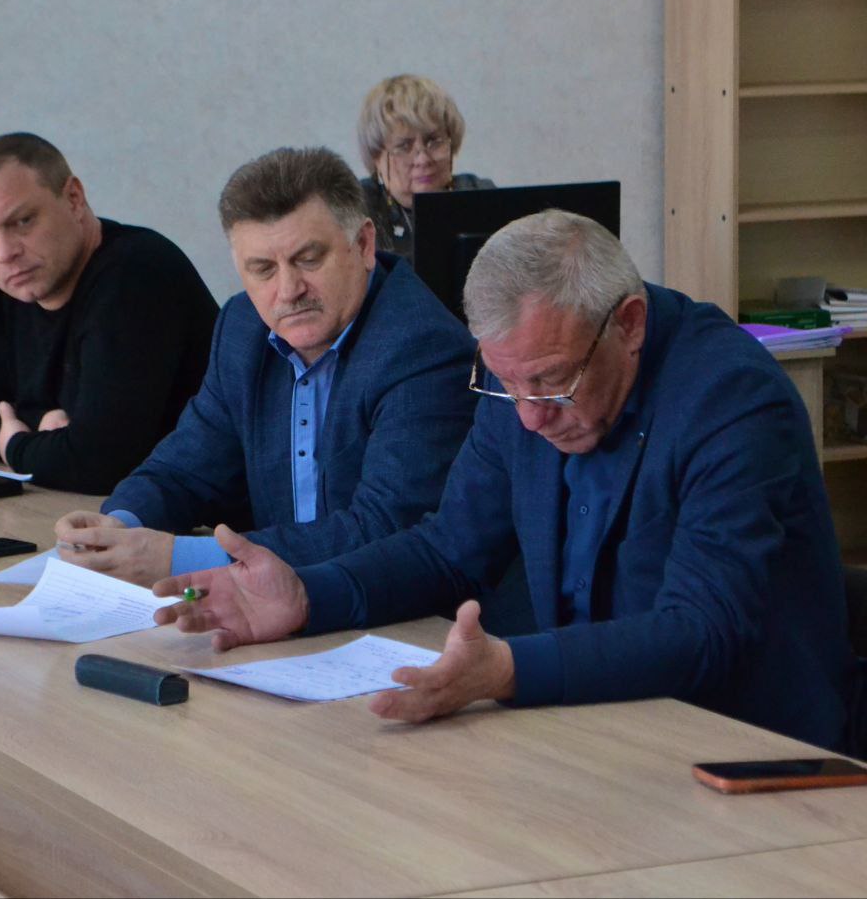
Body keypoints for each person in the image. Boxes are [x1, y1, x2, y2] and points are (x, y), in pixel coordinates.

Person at [155, 210, 859, 753]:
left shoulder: (733, 401)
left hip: (753, 754)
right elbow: (449, 548)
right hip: (599, 733)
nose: (526, 416)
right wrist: (309, 595)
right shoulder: (521, 374)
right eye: (505, 383)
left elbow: (702, 631)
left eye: (551, 382)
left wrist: (507, 668)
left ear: (630, 324)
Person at [54, 146, 476, 587]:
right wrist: (119, 526)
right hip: (274, 608)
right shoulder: (243, 329)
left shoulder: (422, 347)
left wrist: (182, 558)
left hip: (399, 611)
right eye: (262, 269)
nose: (288, 290)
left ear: (364, 245)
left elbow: (384, 529)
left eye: (308, 259)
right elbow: (184, 470)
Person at [0, 132, 219, 494]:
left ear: (73, 198)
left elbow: (97, 462)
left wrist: (15, 445)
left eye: (22, 221)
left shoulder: (136, 274)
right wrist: (40, 422)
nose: (5, 253)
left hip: (202, 517)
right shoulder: (19, 286)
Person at [358, 74, 493, 260]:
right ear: (376, 157)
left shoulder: (480, 196)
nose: (422, 159)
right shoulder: (357, 210)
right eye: (404, 146)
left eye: (434, 141)